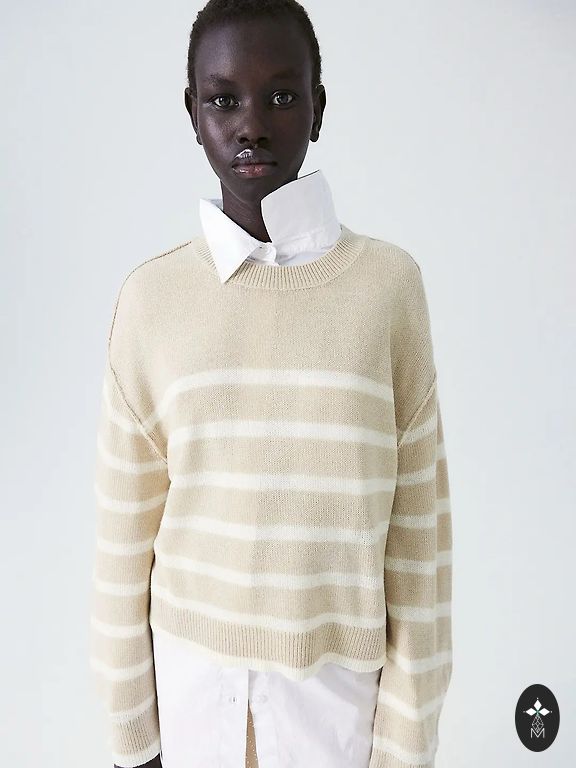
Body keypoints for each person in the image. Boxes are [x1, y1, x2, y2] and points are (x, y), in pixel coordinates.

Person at [89, 1, 454, 767]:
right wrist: (131, 737)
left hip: (337, 713)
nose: (251, 125)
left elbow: (419, 539)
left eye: (281, 95)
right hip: (190, 704)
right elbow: (123, 536)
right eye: (223, 99)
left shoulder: (388, 289)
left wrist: (406, 743)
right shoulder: (152, 300)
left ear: (318, 106)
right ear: (193, 115)